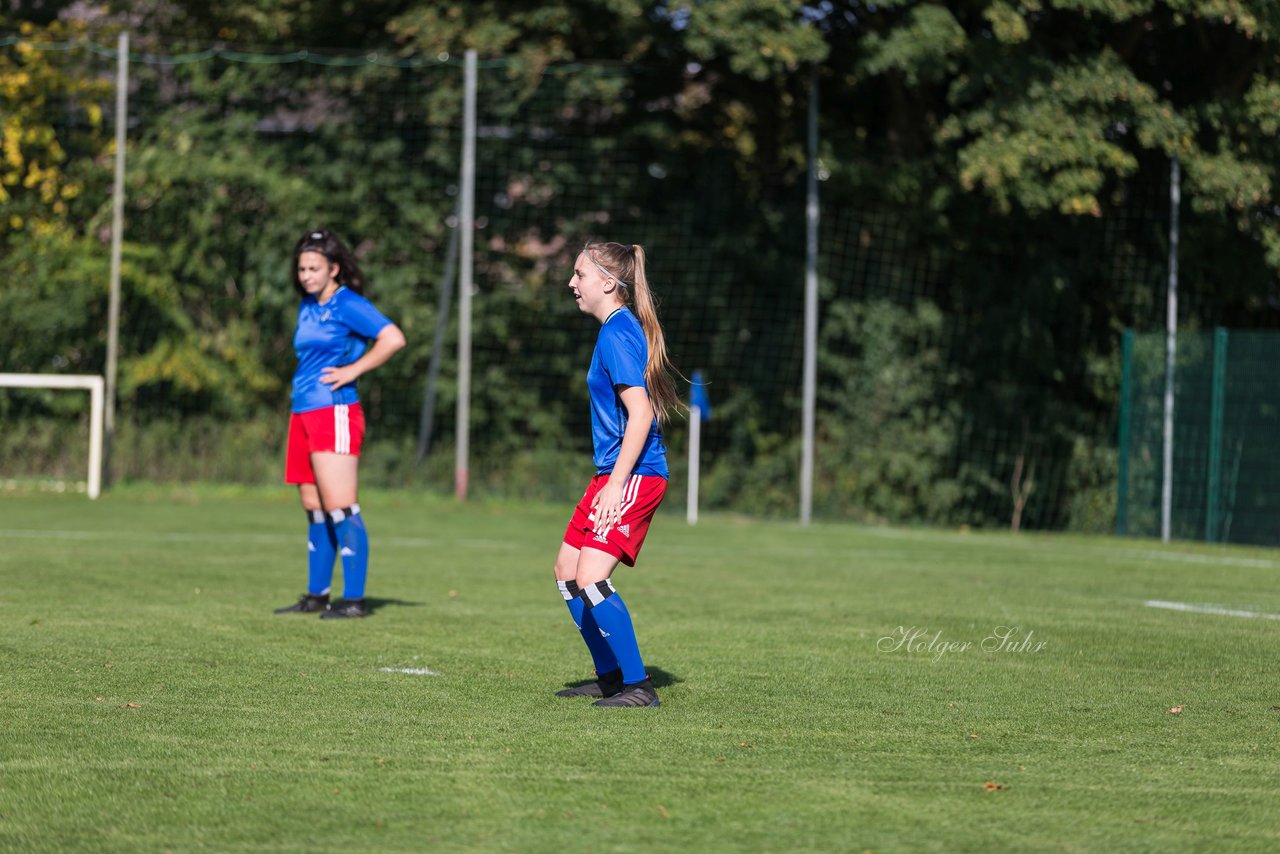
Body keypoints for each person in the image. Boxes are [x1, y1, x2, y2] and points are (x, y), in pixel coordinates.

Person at [553, 241, 682, 707]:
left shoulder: (617, 332)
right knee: (567, 572)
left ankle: (638, 687)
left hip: (634, 474)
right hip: (614, 472)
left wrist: (614, 485)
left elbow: (642, 415)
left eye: (579, 274)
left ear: (608, 283)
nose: (572, 283)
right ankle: (609, 676)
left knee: (590, 577)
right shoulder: (614, 329)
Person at [274, 228, 405, 619]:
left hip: (335, 410)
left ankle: (354, 600)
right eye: (301, 269)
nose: (306, 275)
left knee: (340, 507)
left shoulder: (347, 303)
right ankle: (318, 595)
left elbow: (393, 337)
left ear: (334, 268)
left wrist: (353, 370)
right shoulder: (308, 305)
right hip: (303, 412)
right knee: (313, 506)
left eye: (314, 268)